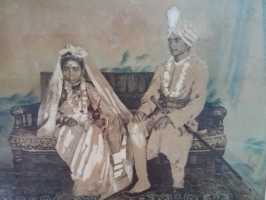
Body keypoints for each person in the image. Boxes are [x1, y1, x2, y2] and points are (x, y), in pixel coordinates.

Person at [124, 7, 208, 198]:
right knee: (135, 126)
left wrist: (173, 118)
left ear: (187, 43)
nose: (172, 43)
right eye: (170, 39)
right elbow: (152, 94)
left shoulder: (198, 69)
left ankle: (178, 181)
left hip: (184, 119)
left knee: (168, 130)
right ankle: (143, 179)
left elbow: (197, 103)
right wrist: (143, 111)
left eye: (177, 39)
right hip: (160, 113)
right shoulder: (162, 67)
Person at [36, 44, 134, 199]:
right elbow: (47, 115)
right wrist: (64, 119)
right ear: (62, 70)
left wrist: (103, 120)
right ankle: (84, 181)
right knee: (81, 133)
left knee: (94, 133)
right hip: (63, 127)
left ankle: (93, 183)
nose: (70, 73)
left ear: (82, 71)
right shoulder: (57, 90)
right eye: (67, 69)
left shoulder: (87, 88)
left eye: (75, 69)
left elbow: (105, 108)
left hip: (86, 124)